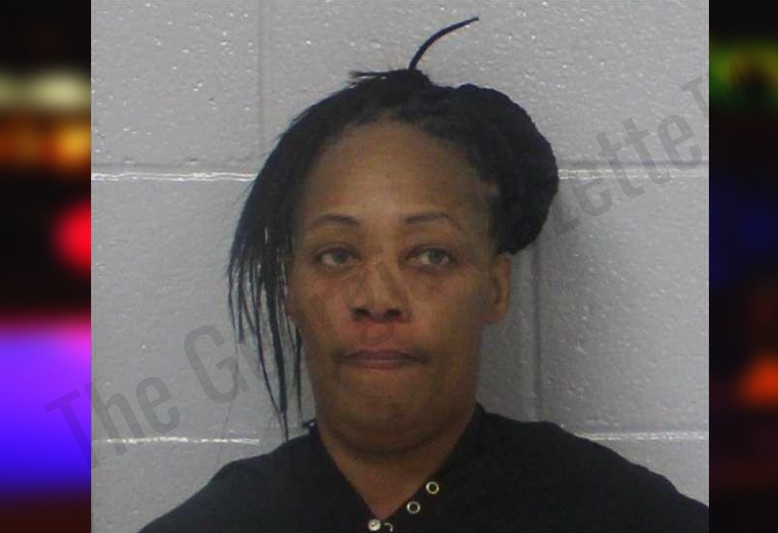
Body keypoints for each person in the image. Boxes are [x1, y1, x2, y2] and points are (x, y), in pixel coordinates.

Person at [141, 18, 708, 532]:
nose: (377, 298)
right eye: (337, 255)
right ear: (291, 286)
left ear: (496, 287)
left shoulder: (614, 513)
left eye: (430, 256)